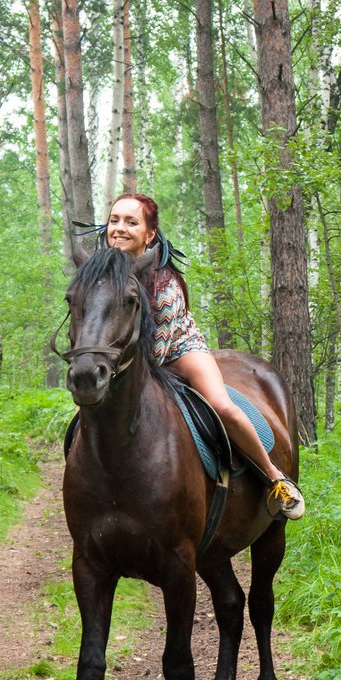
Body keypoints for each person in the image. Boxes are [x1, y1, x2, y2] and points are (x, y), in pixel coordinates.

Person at [104, 192, 305, 521]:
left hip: (178, 350)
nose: (120, 228)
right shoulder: (104, 275)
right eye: (114, 220)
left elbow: (161, 344)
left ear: (150, 234)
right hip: (129, 362)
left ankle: (274, 478)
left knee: (222, 404)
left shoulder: (164, 281)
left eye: (131, 222)